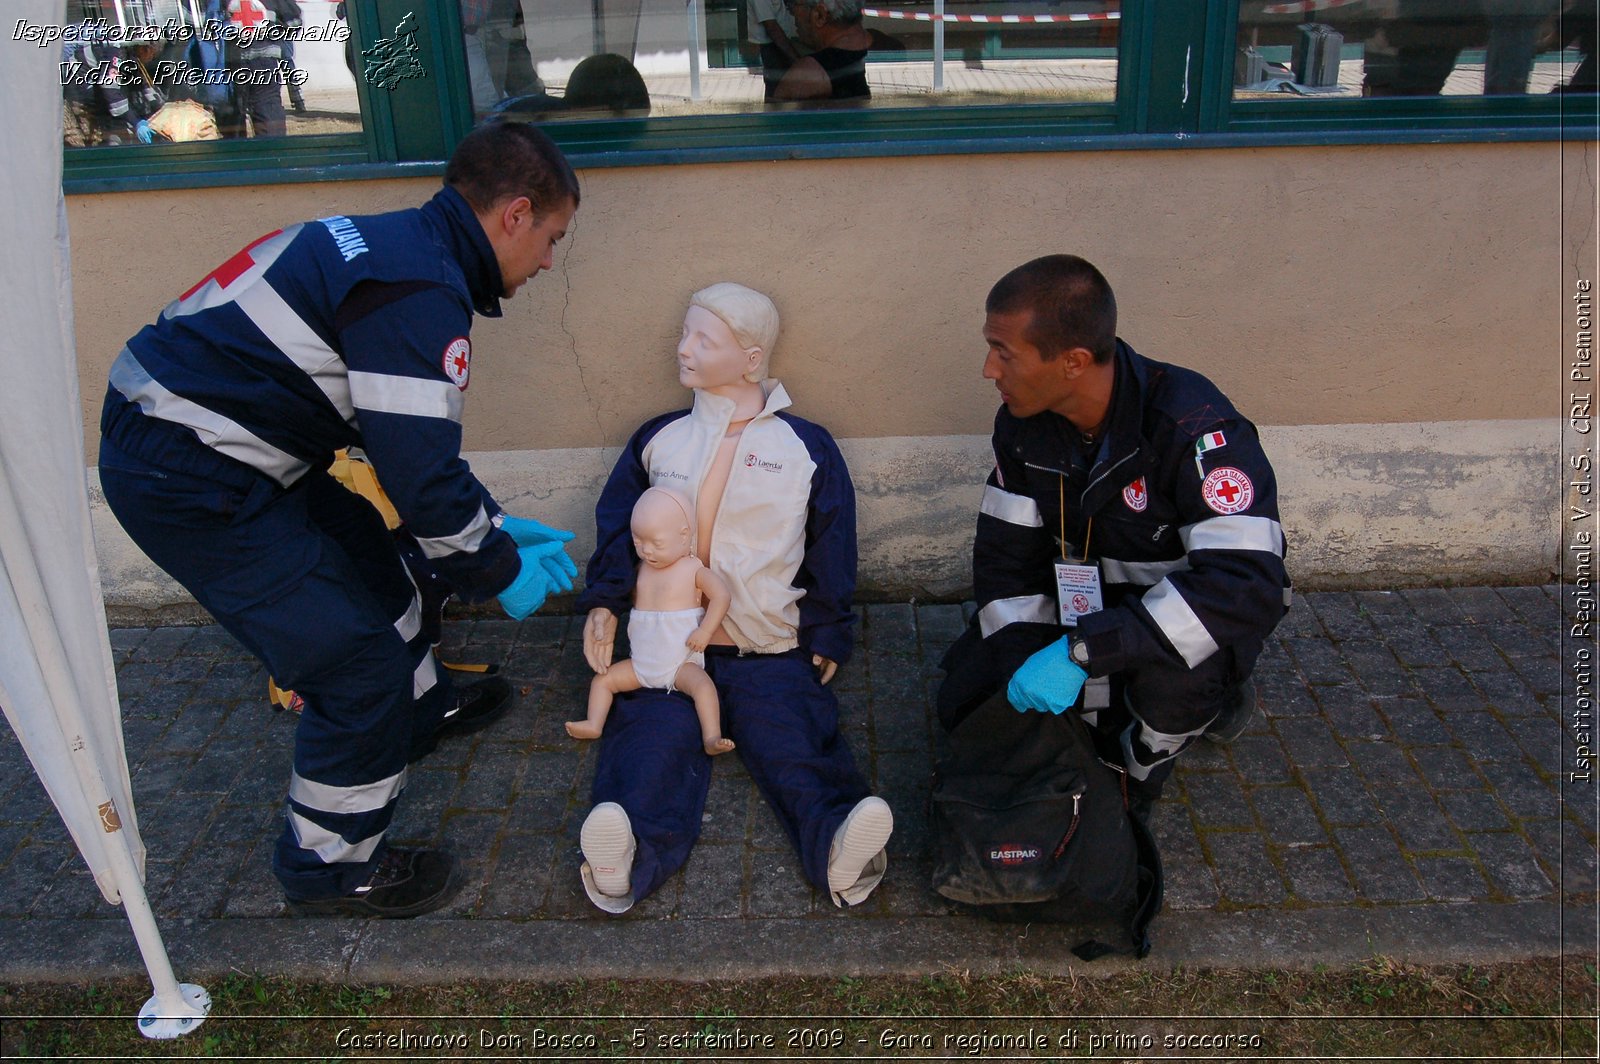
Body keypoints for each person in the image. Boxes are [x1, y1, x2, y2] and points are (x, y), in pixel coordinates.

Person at [97, 122, 582, 918]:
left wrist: (490, 526)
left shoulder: (392, 248)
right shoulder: (420, 294)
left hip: (222, 448)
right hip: (190, 476)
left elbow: (401, 444)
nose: (549, 261)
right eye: (553, 239)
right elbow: (422, 482)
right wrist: (493, 566)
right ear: (516, 214)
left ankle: (418, 712)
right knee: (356, 671)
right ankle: (332, 866)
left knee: (380, 561)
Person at [573, 282, 893, 914]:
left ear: (751, 358)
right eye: (683, 333)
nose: (683, 348)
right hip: (667, 649)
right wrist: (605, 600)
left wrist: (827, 630)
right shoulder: (658, 439)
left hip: (763, 646)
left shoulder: (805, 448)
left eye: (703, 338)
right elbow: (619, 527)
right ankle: (622, 854)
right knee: (646, 749)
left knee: (796, 743)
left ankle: (839, 841)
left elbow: (834, 544)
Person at [936, 255, 1290, 823]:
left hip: (1172, 627)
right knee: (966, 700)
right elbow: (1005, 557)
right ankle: (1090, 723)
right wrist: (1025, 657)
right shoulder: (1023, 423)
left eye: (1004, 352)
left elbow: (1245, 584)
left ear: (1073, 361)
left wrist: (1085, 653)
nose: (988, 369)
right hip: (1083, 615)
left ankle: (1145, 769)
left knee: (1165, 702)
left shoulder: (1194, 429)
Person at [567, 487, 735, 756]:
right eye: (637, 542)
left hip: (680, 665)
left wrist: (705, 631)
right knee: (602, 681)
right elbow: (625, 596)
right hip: (640, 665)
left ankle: (711, 735)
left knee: (703, 687)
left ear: (684, 535)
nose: (646, 550)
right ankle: (594, 723)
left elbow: (722, 596)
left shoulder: (694, 569)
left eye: (656, 543)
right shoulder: (640, 569)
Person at [772, 0, 873, 101]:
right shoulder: (881, 46)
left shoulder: (807, 75)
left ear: (820, 15)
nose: (792, 13)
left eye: (795, 5)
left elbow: (775, 114)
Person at [748, 0, 803, 99]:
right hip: (773, 46)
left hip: (789, 42)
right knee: (777, 93)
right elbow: (771, 27)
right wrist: (796, 59)